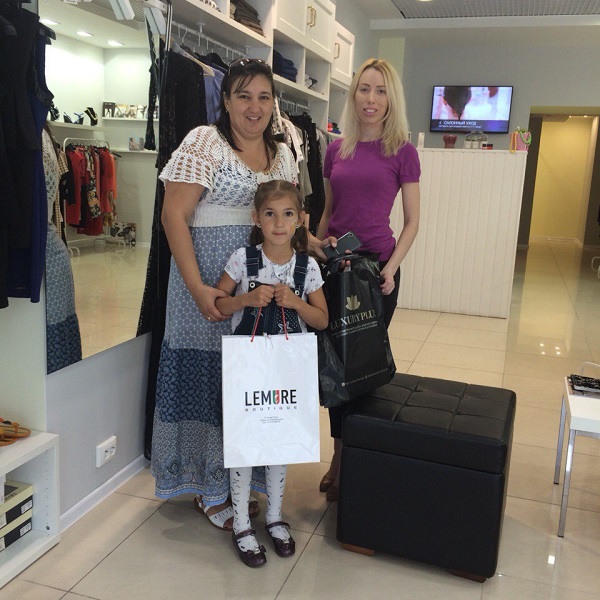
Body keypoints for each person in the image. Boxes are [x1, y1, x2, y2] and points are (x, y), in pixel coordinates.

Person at [151, 58, 298, 532]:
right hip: (208, 286)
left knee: (246, 382)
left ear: (273, 104)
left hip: (259, 288)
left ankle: (241, 480)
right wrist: (198, 288)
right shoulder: (205, 142)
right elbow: (174, 216)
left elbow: (287, 216)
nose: (254, 107)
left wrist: (313, 245)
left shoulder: (283, 153)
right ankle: (208, 487)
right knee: (210, 380)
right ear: (226, 101)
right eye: (243, 96)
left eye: (264, 97)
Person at [313, 58, 421, 501]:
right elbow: (328, 212)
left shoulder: (403, 151)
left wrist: (390, 268)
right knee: (334, 368)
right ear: (353, 94)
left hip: (376, 272)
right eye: (363, 89)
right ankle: (339, 455)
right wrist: (313, 258)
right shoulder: (336, 149)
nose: (370, 99)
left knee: (362, 369)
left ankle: (352, 458)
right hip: (335, 267)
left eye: (380, 91)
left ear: (391, 98)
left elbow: (412, 222)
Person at [215, 179, 328, 567]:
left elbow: (322, 319)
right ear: (256, 218)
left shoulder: (307, 267)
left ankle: (275, 517)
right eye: (270, 214)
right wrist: (246, 299)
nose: (279, 223)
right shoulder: (242, 260)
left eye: (288, 214)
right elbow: (219, 305)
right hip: (248, 369)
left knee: (279, 440)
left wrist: (295, 303)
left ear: (300, 220)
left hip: (285, 370)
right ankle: (242, 523)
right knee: (245, 440)